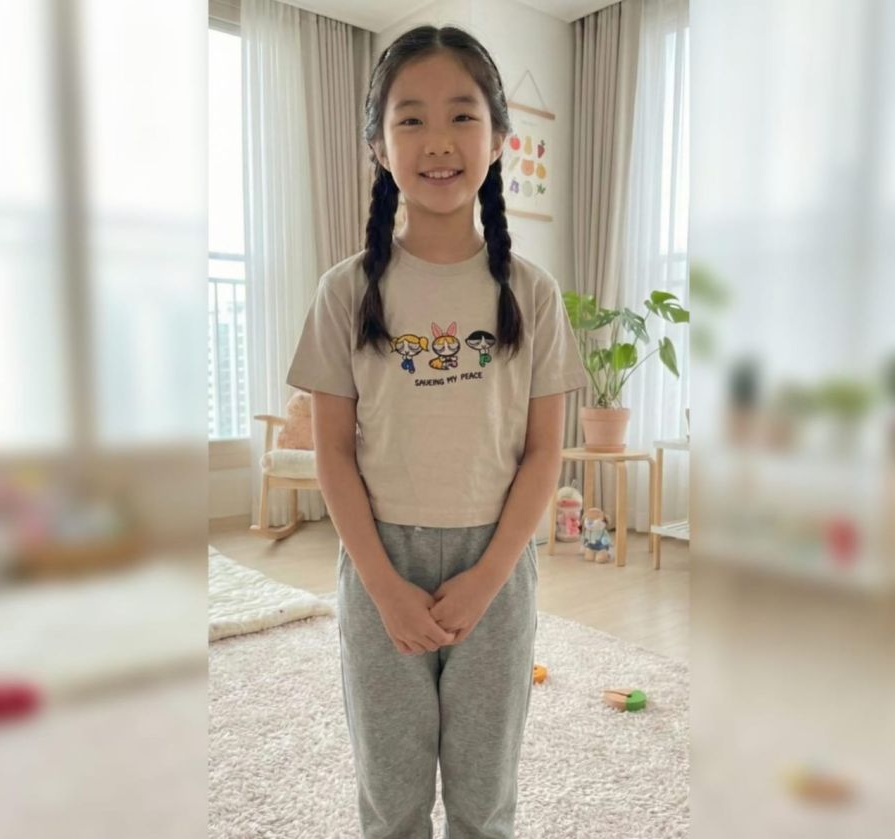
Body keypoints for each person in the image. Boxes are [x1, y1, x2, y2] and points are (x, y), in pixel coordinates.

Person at [287, 24, 588, 839]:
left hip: (498, 564)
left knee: (485, 796)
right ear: (378, 146)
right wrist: (383, 586)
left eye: (462, 115)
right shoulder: (344, 291)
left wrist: (490, 575)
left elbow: (543, 453)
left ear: (499, 137)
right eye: (410, 119)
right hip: (380, 560)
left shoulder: (534, 293)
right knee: (391, 793)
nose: (439, 140)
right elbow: (333, 452)